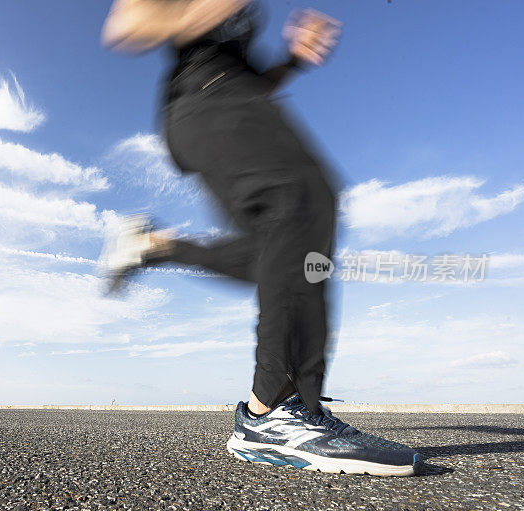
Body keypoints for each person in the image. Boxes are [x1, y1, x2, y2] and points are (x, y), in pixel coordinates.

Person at [98, 0, 423, 476]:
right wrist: (203, 11)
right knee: (303, 201)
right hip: (206, 102)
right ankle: (275, 409)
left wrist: (291, 60)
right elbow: (126, 25)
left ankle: (155, 246)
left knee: (280, 254)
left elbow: (249, 78)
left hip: (231, 102)